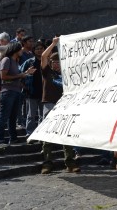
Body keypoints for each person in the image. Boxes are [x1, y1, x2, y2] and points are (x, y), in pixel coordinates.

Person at [39, 36, 80, 174]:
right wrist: (53, 43)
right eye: (53, 62)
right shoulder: (46, 72)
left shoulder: (66, 74)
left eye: (58, 62)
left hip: (64, 105)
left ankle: (70, 162)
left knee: (66, 134)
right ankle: (47, 163)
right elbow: (43, 56)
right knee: (47, 135)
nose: (56, 64)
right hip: (49, 104)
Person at [0, 41, 35, 146]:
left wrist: (26, 74)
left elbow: (17, 77)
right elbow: (3, 77)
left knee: (13, 117)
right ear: (15, 50)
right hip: (7, 92)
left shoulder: (15, 61)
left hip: (16, 91)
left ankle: (13, 138)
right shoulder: (6, 60)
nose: (22, 50)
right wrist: (21, 75)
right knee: (4, 116)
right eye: (20, 48)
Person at [19, 41, 44, 133]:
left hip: (44, 93)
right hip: (31, 92)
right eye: (37, 49)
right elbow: (19, 73)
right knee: (30, 115)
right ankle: (29, 133)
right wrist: (23, 85)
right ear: (34, 51)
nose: (39, 51)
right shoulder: (29, 62)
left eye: (41, 48)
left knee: (43, 115)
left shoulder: (47, 61)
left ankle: (41, 133)